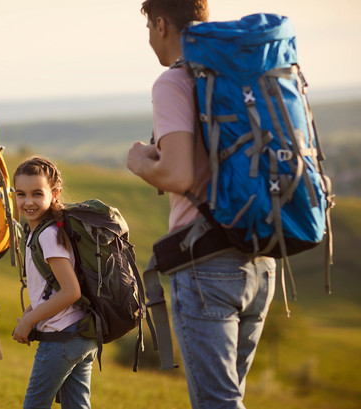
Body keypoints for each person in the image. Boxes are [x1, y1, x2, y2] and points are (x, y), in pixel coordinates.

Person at [126, 2, 277, 408]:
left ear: (160, 24)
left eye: (148, 27)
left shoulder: (174, 81)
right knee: (229, 398)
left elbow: (178, 176)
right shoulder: (237, 73)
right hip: (261, 260)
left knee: (217, 404)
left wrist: (139, 160)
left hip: (207, 266)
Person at [12, 157, 98, 409]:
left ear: (54, 193)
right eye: (21, 194)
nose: (28, 202)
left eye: (37, 193)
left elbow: (71, 291)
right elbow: (54, 288)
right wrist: (32, 311)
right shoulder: (45, 231)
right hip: (81, 334)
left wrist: (29, 321)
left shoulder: (48, 235)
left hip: (61, 338)